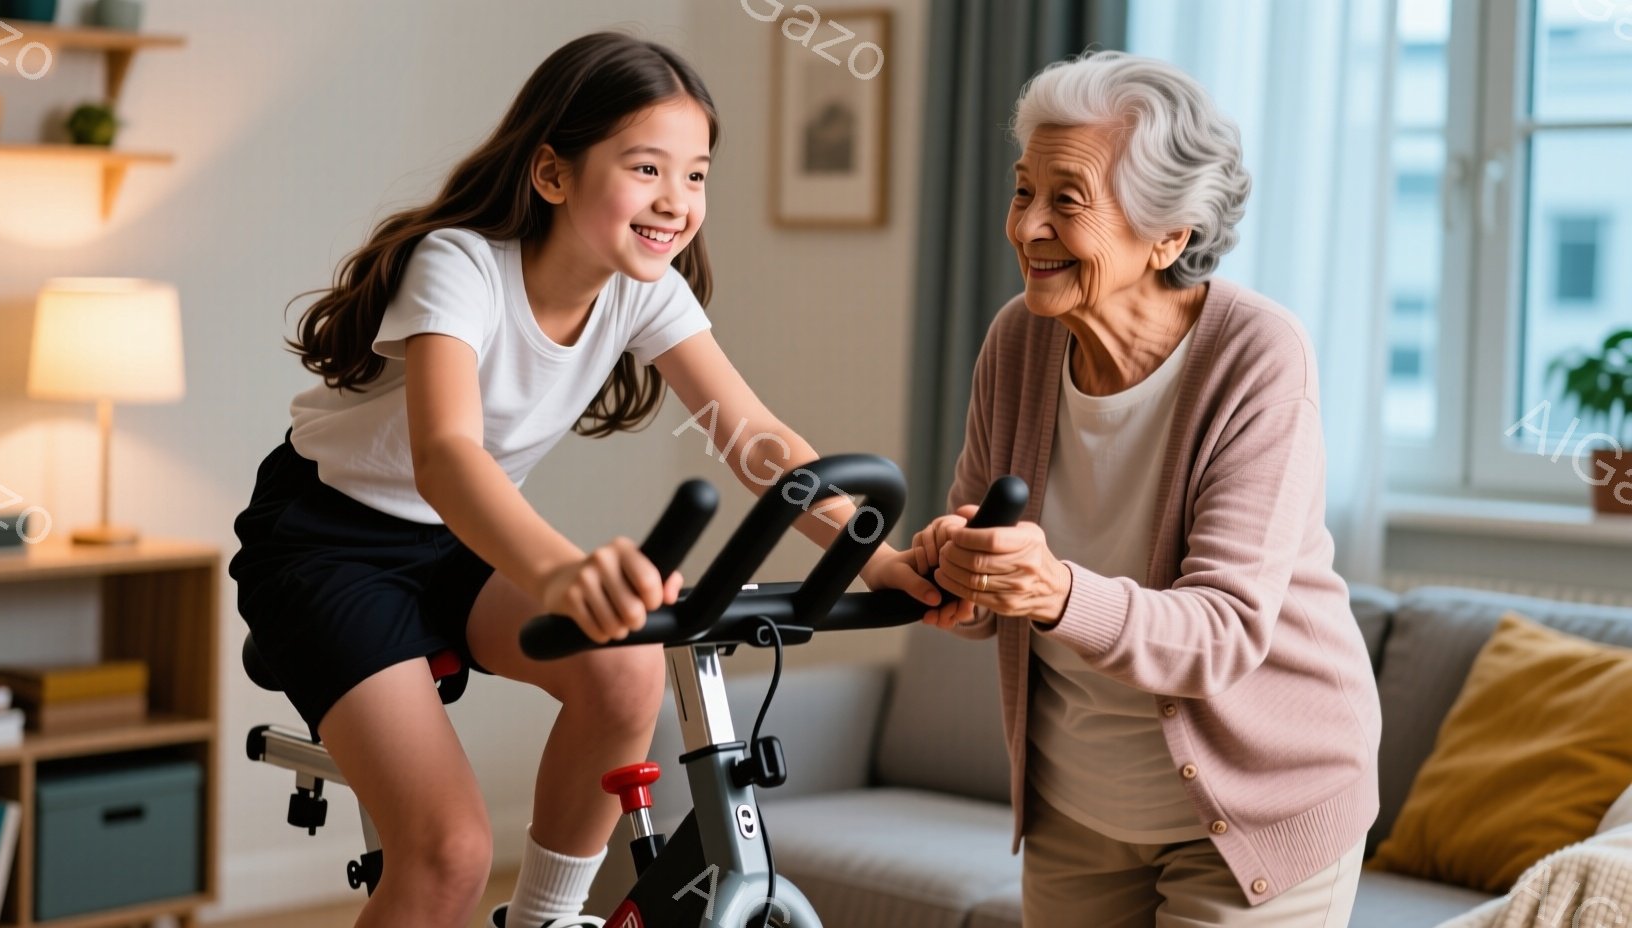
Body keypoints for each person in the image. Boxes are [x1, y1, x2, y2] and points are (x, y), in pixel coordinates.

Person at [230, 32, 933, 928]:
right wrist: (563, 572)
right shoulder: (458, 265)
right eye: (647, 168)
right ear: (553, 174)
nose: (676, 200)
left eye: (696, 175)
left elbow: (755, 439)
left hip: (457, 544)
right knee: (449, 856)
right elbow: (447, 456)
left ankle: (547, 918)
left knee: (629, 662)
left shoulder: (645, 289)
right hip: (327, 544)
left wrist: (878, 559)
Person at [871, 51, 1383, 926]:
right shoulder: (1018, 340)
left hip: (1259, 808)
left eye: (1067, 200)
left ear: (1170, 236)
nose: (1027, 226)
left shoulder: (1258, 355)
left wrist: (1054, 590)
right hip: (1079, 808)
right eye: (1022, 190)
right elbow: (989, 591)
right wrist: (962, 565)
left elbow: (1223, 630)